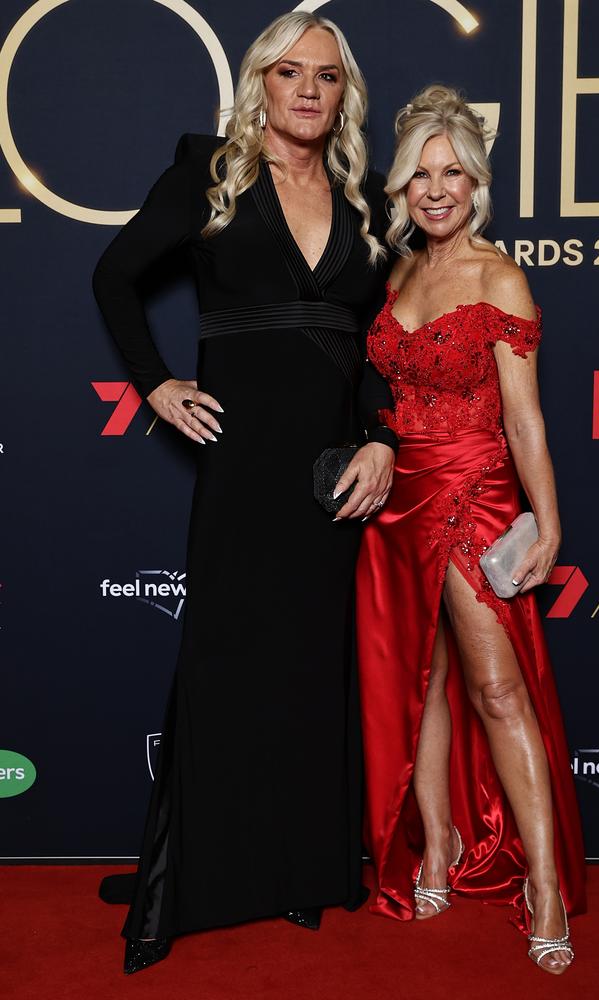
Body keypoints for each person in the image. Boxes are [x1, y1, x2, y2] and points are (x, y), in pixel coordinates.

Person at [92, 11, 397, 974]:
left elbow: (374, 350)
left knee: (310, 670)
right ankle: (182, 882)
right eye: (291, 71)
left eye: (329, 77)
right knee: (224, 660)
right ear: (261, 80)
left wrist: (383, 440)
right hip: (241, 462)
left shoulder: (361, 198)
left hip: (329, 475)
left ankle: (297, 870)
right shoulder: (211, 175)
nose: (309, 89)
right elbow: (115, 276)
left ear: (345, 95)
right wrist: (156, 382)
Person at [355, 85, 586, 975]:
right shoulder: (397, 271)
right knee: (423, 684)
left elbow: (524, 419)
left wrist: (548, 522)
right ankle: (441, 847)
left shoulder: (498, 275)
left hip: (471, 495)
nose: (435, 188)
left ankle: (545, 887)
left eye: (452, 173)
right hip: (394, 501)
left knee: (497, 691)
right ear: (402, 185)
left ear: (476, 183)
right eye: (420, 173)